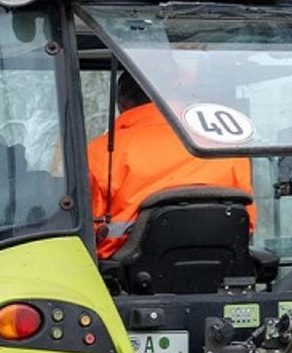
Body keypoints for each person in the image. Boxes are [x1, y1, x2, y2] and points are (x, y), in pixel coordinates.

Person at [86, 73, 253, 258]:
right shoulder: (224, 147)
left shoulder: (100, 152)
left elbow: (88, 232)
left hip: (127, 277)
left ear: (122, 104)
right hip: (225, 269)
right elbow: (248, 223)